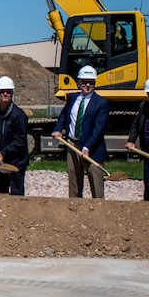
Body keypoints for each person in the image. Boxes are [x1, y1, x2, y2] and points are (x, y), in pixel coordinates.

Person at [52, 65, 109, 199]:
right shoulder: (72, 98)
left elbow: (99, 129)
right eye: (84, 82)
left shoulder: (101, 103)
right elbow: (65, 115)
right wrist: (58, 129)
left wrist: (87, 147)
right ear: (78, 82)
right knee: (74, 180)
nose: (87, 85)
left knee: (96, 182)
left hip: (92, 148)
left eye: (91, 82)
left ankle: (99, 210)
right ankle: (74, 207)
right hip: (72, 145)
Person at [0, 76, 29, 196]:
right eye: (2, 92)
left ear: (12, 93)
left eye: (9, 92)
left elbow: (20, 140)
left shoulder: (19, 115)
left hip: (16, 161)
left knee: (16, 193)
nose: (5, 94)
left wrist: (4, 152)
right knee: (1, 191)